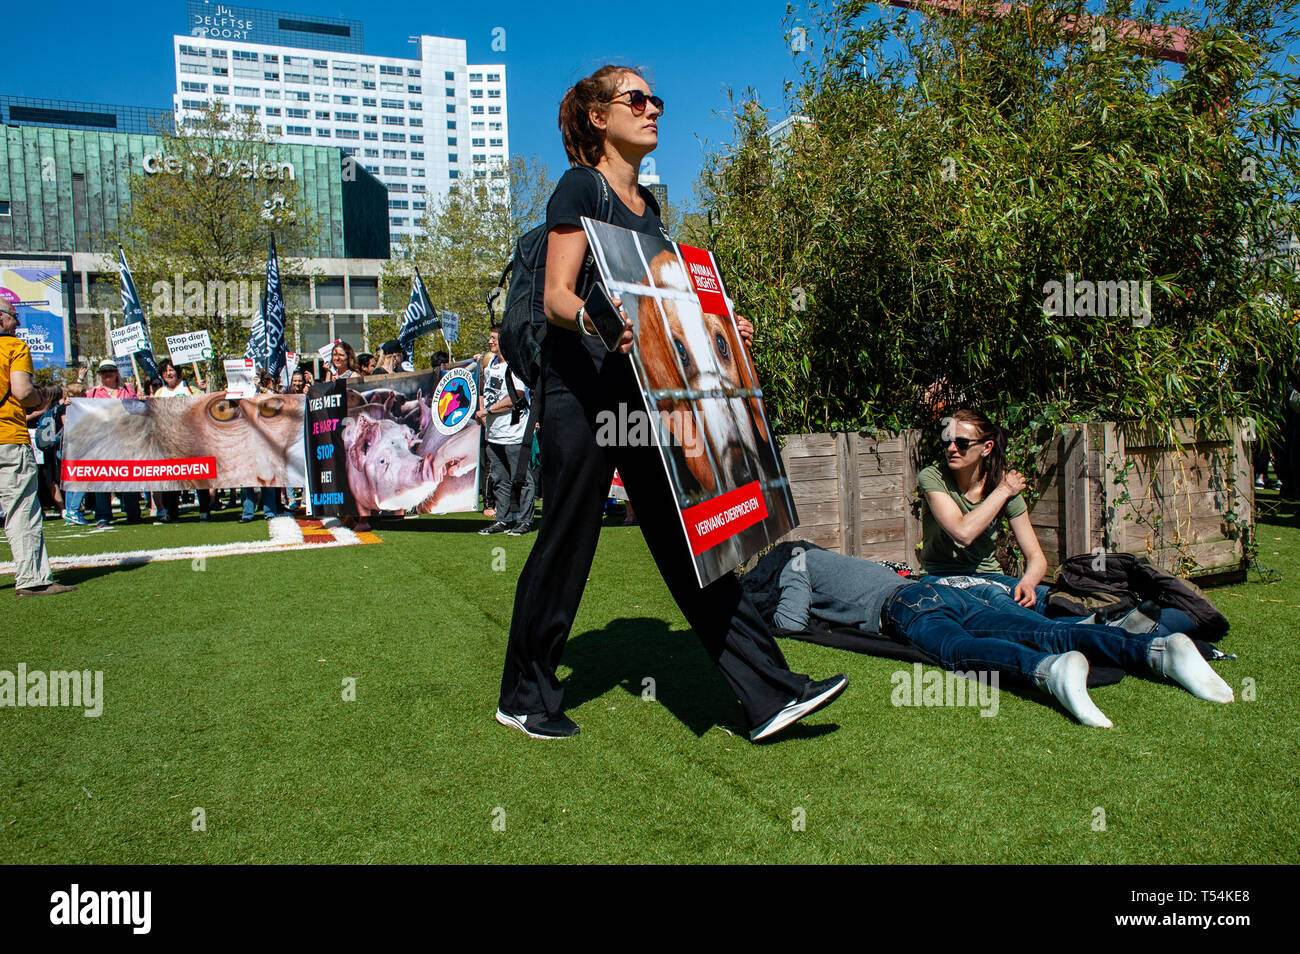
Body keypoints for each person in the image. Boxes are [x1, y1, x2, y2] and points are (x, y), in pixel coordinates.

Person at [497, 65, 847, 742]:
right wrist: (602, 322)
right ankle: (524, 693)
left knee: (699, 541)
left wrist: (722, 333)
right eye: (637, 98)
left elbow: (665, 306)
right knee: (569, 538)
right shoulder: (580, 187)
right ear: (599, 118)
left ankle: (769, 693)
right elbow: (558, 297)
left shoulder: (649, 209)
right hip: (582, 392)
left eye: (655, 98)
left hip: (641, 391)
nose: (653, 107)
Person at [764, 546, 1234, 727]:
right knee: (1051, 630)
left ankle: (1047, 673)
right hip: (955, 591)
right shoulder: (840, 557)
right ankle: (1158, 651)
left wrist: (780, 588)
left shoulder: (796, 562)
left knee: (956, 650)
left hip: (906, 606)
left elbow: (789, 623)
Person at [0, 300, 76, 597]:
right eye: (14, 318)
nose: (17, 324)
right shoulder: (13, 348)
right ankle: (31, 578)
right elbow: (22, 391)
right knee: (21, 509)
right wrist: (40, 398)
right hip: (7, 436)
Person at [478, 324, 535, 536]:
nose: (490, 341)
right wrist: (483, 411)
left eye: (494, 338)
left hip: (514, 432)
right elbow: (485, 392)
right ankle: (502, 520)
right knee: (499, 479)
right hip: (493, 433)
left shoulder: (515, 365)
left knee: (521, 478)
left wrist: (488, 410)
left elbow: (517, 396)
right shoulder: (490, 364)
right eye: (490, 337)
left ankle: (524, 521)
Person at [152, 360, 212, 523]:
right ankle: (171, 511)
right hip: (169, 442)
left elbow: (204, 404)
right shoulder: (159, 393)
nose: (168, 374)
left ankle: (205, 509)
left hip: (191, 439)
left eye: (171, 370)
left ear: (177, 372)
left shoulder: (190, 388)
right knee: (171, 477)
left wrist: (203, 391)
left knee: (198, 474)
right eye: (165, 372)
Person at [85, 359, 141, 528]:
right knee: (102, 477)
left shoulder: (128, 391)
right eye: (103, 371)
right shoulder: (93, 393)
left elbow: (136, 411)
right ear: (100, 375)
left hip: (125, 440)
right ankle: (103, 514)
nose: (107, 374)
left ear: (117, 372)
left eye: (110, 370)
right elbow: (81, 409)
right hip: (102, 441)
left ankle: (133, 512)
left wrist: (141, 399)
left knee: (128, 476)